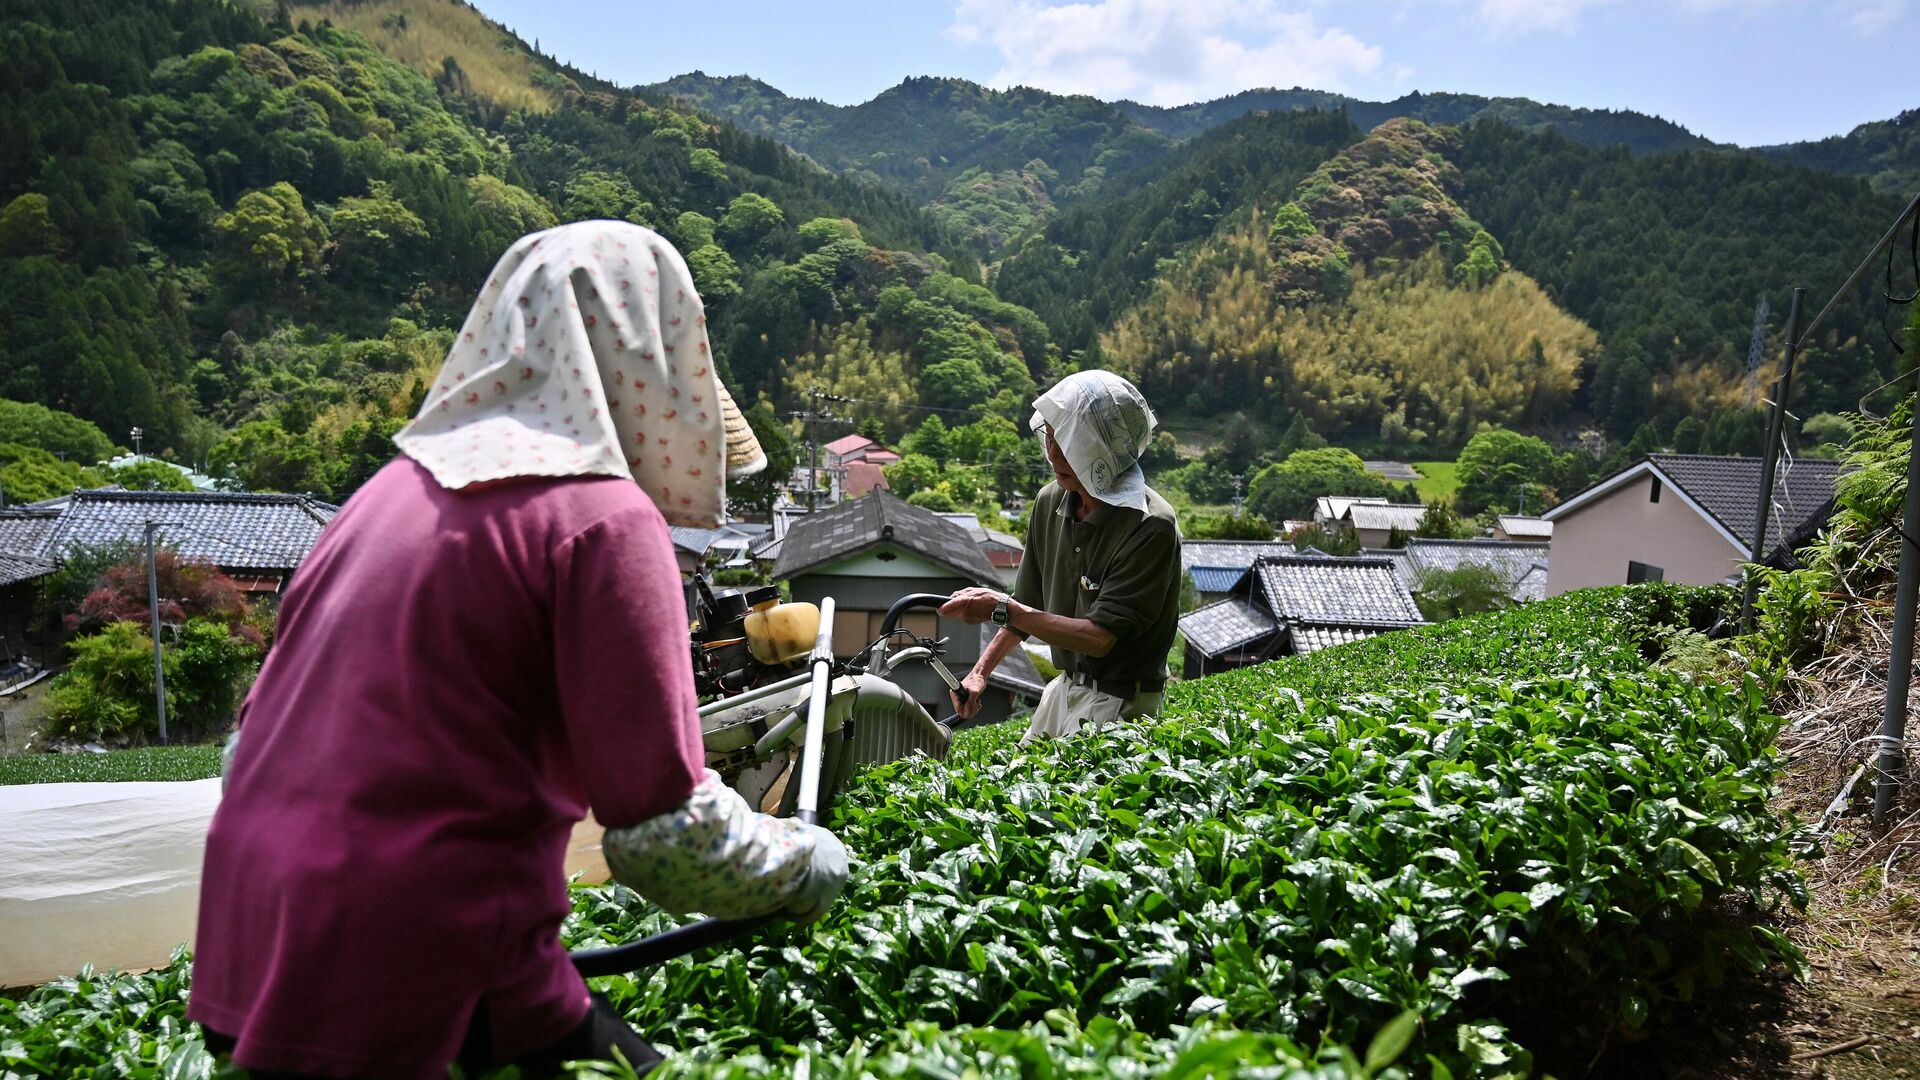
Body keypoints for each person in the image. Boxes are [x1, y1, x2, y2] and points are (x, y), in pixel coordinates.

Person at [190, 221, 848, 1080]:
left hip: (247, 948)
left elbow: (251, 746)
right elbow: (665, 840)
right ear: (650, 361)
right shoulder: (602, 520)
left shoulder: (381, 497)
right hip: (422, 965)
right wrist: (803, 864)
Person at [940, 371, 1181, 744]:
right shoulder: (1051, 500)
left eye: (1067, 443)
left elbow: (1100, 638)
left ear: (1103, 449)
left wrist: (999, 607)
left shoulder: (1150, 526)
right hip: (1064, 688)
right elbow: (1028, 606)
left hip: (1121, 699)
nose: (1052, 454)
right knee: (1016, 790)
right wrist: (980, 673)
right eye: (1049, 439)